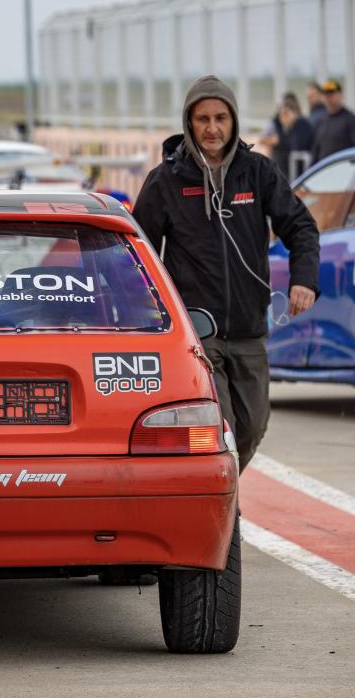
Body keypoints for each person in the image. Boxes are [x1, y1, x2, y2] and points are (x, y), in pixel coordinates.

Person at [132, 75, 319, 472]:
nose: (212, 128)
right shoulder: (166, 180)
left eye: (220, 118)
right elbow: (138, 254)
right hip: (198, 333)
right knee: (222, 431)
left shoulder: (258, 172)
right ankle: (223, 503)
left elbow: (301, 227)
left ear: (233, 121)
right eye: (203, 119)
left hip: (250, 328)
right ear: (189, 121)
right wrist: (147, 310)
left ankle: (222, 491)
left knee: (252, 428)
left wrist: (304, 279)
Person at [258, 93, 314, 181]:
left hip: (298, 175)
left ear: (295, 113)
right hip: (284, 174)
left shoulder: (302, 125)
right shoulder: (281, 126)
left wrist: (279, 141)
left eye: (286, 114)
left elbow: (297, 146)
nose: (283, 118)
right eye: (281, 115)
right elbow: (262, 140)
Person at [311, 80, 355, 164]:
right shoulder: (322, 120)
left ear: (341, 96)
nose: (328, 99)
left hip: (342, 168)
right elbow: (316, 149)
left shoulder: (350, 120)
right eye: (326, 95)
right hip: (324, 168)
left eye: (331, 95)